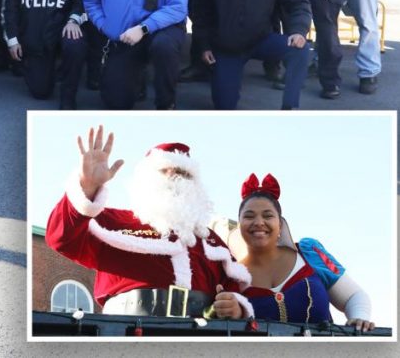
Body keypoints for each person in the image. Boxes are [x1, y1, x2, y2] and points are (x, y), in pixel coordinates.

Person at [45, 126, 252, 319]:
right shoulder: (113, 222)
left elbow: (232, 288)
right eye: (167, 170)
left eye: (185, 174)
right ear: (146, 179)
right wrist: (87, 187)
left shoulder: (211, 242)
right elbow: (61, 238)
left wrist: (236, 307)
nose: (177, 179)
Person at [231, 173, 374, 330]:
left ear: (280, 224)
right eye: (249, 216)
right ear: (239, 225)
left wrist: (359, 319)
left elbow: (353, 296)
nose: (258, 222)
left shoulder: (309, 254)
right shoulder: (229, 274)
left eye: (268, 215)